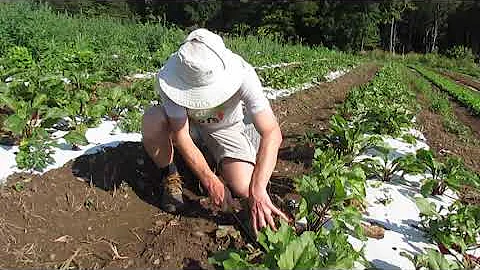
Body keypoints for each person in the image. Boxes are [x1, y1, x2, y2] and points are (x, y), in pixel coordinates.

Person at [142, 28, 289, 235]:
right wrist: (210, 181)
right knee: (152, 120)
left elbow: (272, 132)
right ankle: (170, 175)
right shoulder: (170, 78)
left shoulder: (243, 74)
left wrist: (258, 188)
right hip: (190, 128)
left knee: (244, 187)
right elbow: (181, 136)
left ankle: (219, 159)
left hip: (226, 128)